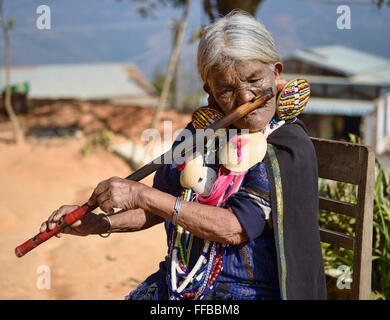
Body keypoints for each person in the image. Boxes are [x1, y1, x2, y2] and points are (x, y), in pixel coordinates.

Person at [40, 11, 326, 300]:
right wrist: (101, 224)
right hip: (180, 286)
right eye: (227, 89)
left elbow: (234, 227)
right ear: (210, 92)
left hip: (247, 294)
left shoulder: (285, 147)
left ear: (276, 73)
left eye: (254, 80)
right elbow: (159, 205)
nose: (245, 98)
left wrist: (141, 194)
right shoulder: (202, 134)